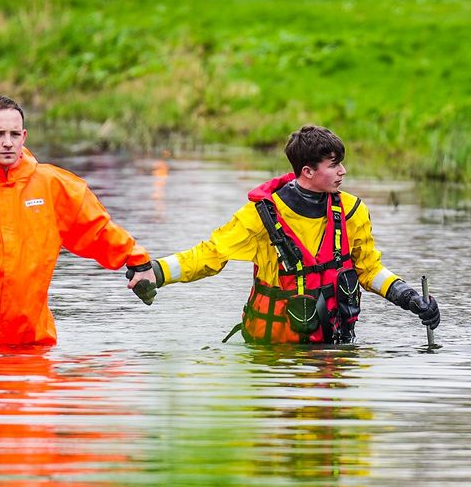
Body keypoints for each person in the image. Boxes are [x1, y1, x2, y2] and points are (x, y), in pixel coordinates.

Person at [134, 126, 439, 344]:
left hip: (334, 345)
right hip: (274, 354)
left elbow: (368, 270)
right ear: (307, 171)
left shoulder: (352, 212)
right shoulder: (260, 217)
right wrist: (155, 273)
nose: (343, 171)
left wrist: (410, 298)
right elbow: (210, 255)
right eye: (334, 165)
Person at [0, 96, 156, 350]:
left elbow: (97, 230)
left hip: (33, 342)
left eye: (14, 134)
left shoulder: (53, 185)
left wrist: (137, 259)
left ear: (24, 136)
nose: (8, 142)